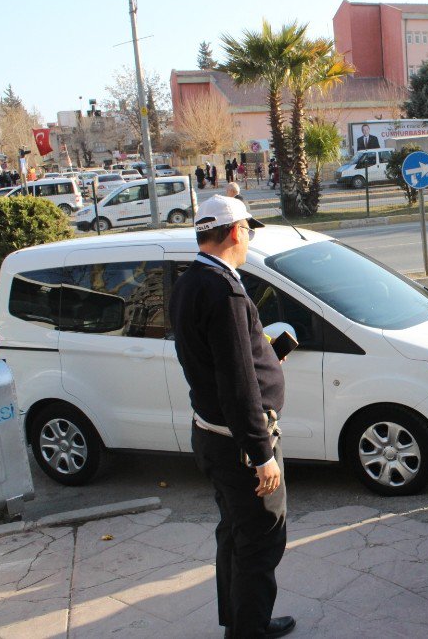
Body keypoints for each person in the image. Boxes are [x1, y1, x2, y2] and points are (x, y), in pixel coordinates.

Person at [168, 195, 295, 639]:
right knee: (260, 539)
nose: (249, 238)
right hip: (239, 444)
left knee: (236, 535)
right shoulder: (224, 289)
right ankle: (248, 632)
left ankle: (244, 622)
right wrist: (261, 453)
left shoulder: (191, 280)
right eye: (249, 230)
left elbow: (224, 361)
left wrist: (269, 360)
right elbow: (237, 381)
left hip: (213, 435)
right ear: (237, 231)